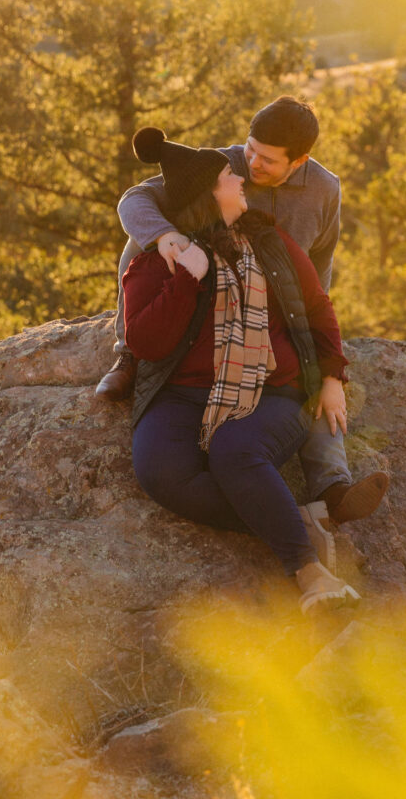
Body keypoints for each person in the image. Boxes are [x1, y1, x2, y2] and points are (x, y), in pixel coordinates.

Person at [99, 96, 389, 525]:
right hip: (207, 296)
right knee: (144, 232)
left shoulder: (324, 190)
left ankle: (333, 489)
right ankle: (128, 352)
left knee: (315, 379)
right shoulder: (222, 166)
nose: (252, 163)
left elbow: (320, 262)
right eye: (250, 148)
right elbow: (134, 199)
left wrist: (317, 346)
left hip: (279, 305)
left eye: (268, 159)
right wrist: (165, 237)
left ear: (300, 159)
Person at [123, 127, 360, 612]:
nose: (241, 181)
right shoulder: (155, 261)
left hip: (273, 392)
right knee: (161, 474)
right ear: (211, 195)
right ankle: (299, 519)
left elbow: (318, 309)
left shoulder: (270, 245)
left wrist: (332, 375)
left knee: (235, 451)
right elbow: (146, 342)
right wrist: (189, 275)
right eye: (231, 176)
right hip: (181, 393)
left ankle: (311, 575)